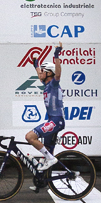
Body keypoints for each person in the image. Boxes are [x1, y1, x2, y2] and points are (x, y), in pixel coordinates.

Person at [24, 46, 65, 192]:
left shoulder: (53, 83)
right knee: (46, 154)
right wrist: (36, 64)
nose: (39, 74)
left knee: (30, 137)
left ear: (49, 73)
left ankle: (52, 160)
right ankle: (41, 181)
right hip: (53, 120)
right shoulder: (46, 84)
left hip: (56, 120)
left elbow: (58, 73)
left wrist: (56, 55)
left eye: (42, 71)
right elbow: (39, 73)